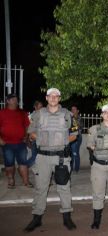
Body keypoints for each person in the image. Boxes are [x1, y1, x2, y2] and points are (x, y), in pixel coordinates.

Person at [24, 88, 78, 232]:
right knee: (40, 188)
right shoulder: (38, 114)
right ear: (46, 98)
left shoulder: (68, 115)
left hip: (61, 157)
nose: (53, 98)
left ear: (59, 98)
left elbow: (74, 134)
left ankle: (67, 217)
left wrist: (62, 140)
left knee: (64, 188)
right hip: (42, 157)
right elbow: (31, 133)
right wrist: (43, 138)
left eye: (56, 96)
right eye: (50, 96)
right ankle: (37, 218)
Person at [0, 93, 32, 188]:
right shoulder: (1, 113)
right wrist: (0, 140)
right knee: (9, 163)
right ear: (8, 101)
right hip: (7, 144)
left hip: (20, 143)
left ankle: (26, 181)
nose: (16, 101)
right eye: (13, 99)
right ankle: (11, 180)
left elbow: (27, 126)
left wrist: (26, 136)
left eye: (16, 100)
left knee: (23, 162)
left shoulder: (22, 113)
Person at [27, 100, 43, 167]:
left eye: (42, 106)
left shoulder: (32, 115)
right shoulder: (36, 115)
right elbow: (30, 128)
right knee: (36, 156)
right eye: (40, 107)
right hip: (36, 138)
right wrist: (30, 137)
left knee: (38, 157)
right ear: (35, 107)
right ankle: (24, 166)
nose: (41, 108)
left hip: (37, 138)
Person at [70, 105, 83, 173]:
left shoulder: (78, 118)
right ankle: (71, 168)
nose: (72, 110)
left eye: (74, 109)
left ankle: (76, 168)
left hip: (77, 137)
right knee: (71, 153)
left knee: (75, 153)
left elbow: (79, 127)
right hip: (71, 137)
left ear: (77, 111)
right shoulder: (70, 118)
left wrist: (71, 129)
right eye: (72, 109)